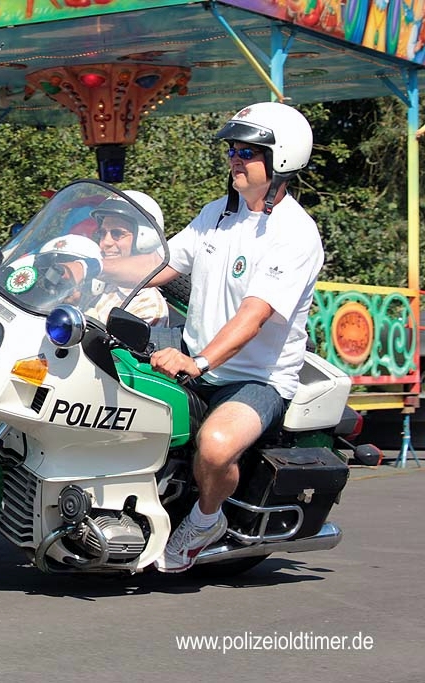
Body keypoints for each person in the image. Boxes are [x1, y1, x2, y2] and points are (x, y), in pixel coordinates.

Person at [103, 102, 322, 572]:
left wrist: (199, 362)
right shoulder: (217, 214)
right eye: (231, 149)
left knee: (217, 446)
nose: (235, 159)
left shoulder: (295, 234)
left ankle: (206, 520)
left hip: (255, 379)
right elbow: (158, 267)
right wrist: (83, 268)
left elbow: (254, 315)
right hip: (197, 363)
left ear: (282, 158)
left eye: (248, 150)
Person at [85, 190, 169, 326]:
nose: (104, 243)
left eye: (117, 234)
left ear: (146, 240)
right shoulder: (102, 283)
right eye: (102, 233)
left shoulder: (147, 306)